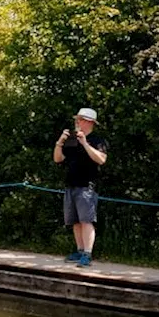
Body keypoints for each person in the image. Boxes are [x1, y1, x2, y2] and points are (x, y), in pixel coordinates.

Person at [53, 107, 108, 267]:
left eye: (81, 120)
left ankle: (88, 254)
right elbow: (58, 159)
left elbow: (101, 159)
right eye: (77, 119)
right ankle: (79, 249)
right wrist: (60, 142)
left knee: (86, 220)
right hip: (70, 184)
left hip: (87, 186)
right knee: (74, 221)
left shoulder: (98, 140)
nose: (77, 122)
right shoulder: (71, 140)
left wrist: (84, 143)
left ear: (90, 122)